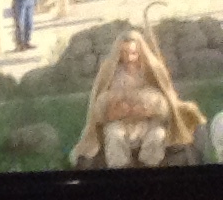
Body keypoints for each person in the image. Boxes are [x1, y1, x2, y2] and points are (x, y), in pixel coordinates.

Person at [71, 27, 205, 169]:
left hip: (147, 121)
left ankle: (149, 165)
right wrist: (112, 111)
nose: (129, 58)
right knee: (114, 135)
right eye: (124, 53)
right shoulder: (110, 71)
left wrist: (151, 108)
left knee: (157, 135)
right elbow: (99, 103)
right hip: (120, 121)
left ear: (140, 52)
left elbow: (166, 100)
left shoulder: (152, 70)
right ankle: (121, 168)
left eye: (133, 53)